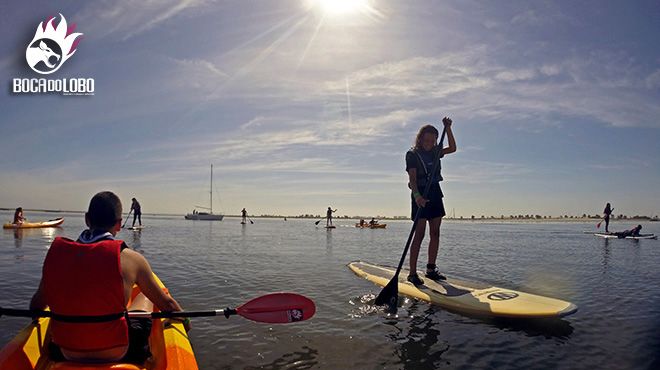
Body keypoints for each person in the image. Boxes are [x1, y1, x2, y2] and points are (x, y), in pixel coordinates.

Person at [29, 191, 189, 364]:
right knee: (144, 296)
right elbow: (169, 306)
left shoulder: (57, 255)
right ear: (119, 224)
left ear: (86, 219)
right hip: (119, 352)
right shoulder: (132, 259)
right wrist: (185, 322)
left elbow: (36, 306)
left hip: (66, 351)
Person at [405, 117, 456, 285]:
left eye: (432, 140)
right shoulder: (412, 154)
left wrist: (447, 128)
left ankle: (430, 269)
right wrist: (417, 196)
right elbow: (412, 178)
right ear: (420, 139)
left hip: (435, 193)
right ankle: (412, 273)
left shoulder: (436, 151)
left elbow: (453, 148)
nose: (429, 143)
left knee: (435, 233)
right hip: (420, 194)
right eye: (426, 140)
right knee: (419, 234)